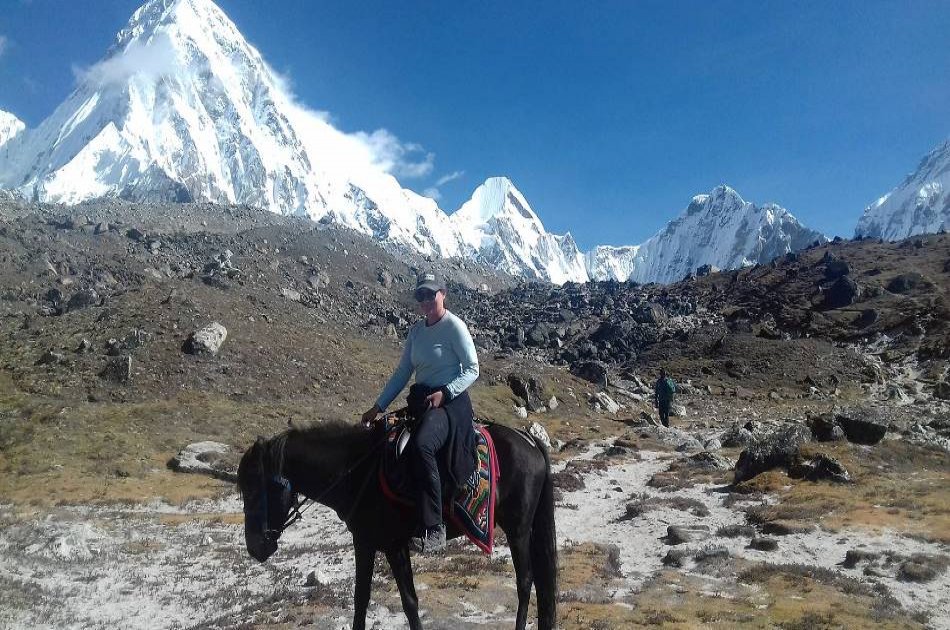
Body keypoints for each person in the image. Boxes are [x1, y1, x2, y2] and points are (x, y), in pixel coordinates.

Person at [361, 271, 479, 553]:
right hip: (422, 402)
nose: (425, 300)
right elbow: (404, 372)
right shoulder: (416, 332)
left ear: (443, 294)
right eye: (421, 295)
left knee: (423, 444)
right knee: (387, 441)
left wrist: (447, 392)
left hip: (450, 403)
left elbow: (473, 368)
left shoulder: (455, 327)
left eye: (431, 294)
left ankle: (435, 528)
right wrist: (379, 406)